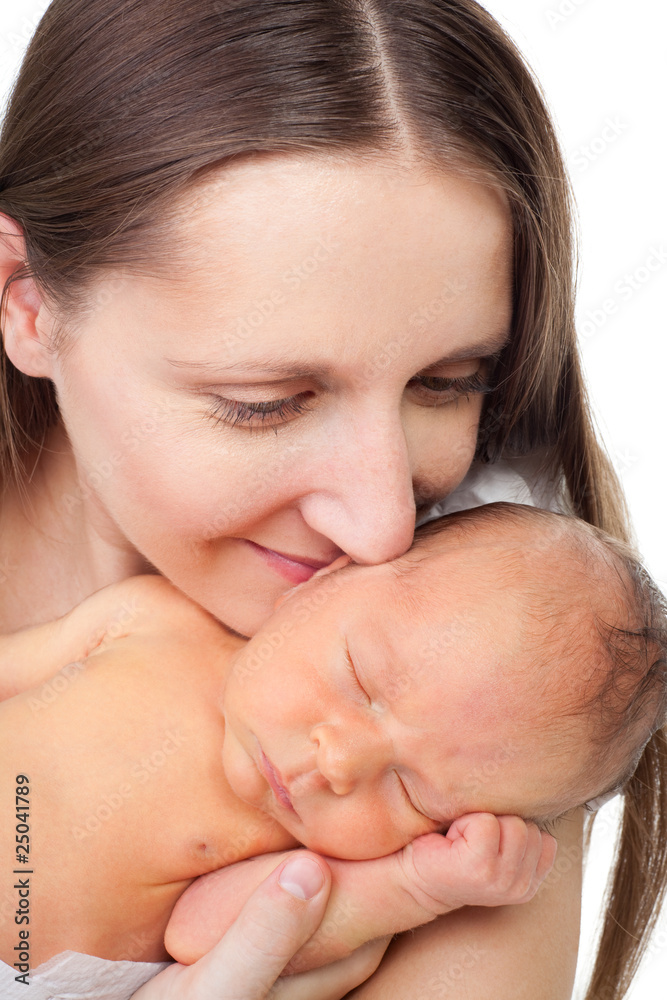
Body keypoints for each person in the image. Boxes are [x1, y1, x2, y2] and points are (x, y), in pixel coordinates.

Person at [1, 1, 665, 998]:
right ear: (26, 299)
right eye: (263, 404)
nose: (384, 523)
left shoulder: (498, 680)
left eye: (447, 382)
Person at [1, 502, 664, 1000]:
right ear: (323, 580)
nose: (340, 762)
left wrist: (410, 886)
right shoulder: (153, 618)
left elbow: (202, 940)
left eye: (410, 793)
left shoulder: (305, 861)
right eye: (360, 680)